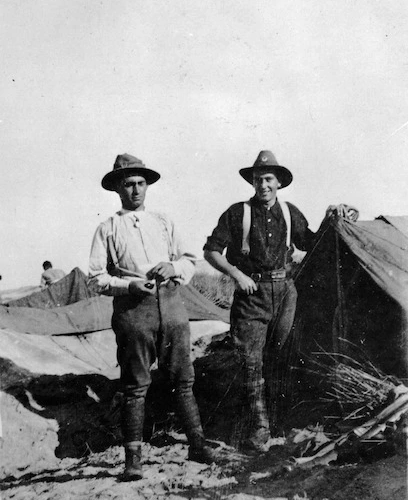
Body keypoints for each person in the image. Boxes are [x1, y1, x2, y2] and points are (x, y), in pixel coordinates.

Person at [203, 150, 358, 452]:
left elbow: (311, 244)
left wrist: (333, 219)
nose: (263, 185)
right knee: (251, 360)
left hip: (285, 292)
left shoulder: (290, 213)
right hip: (251, 296)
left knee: (283, 356)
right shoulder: (238, 213)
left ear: (278, 183)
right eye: (258, 179)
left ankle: (279, 420)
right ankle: (258, 426)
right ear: (252, 182)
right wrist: (236, 274)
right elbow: (211, 251)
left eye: (269, 179)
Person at [89, 153, 217, 480]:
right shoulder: (108, 228)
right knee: (135, 384)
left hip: (173, 306)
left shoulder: (164, 221)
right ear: (117, 188)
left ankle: (197, 444)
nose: (135, 190)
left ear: (147, 186)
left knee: (183, 379)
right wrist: (129, 284)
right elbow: (95, 278)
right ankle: (133, 458)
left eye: (141, 183)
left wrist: (174, 267)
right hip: (134, 312)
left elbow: (190, 260)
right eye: (128, 184)